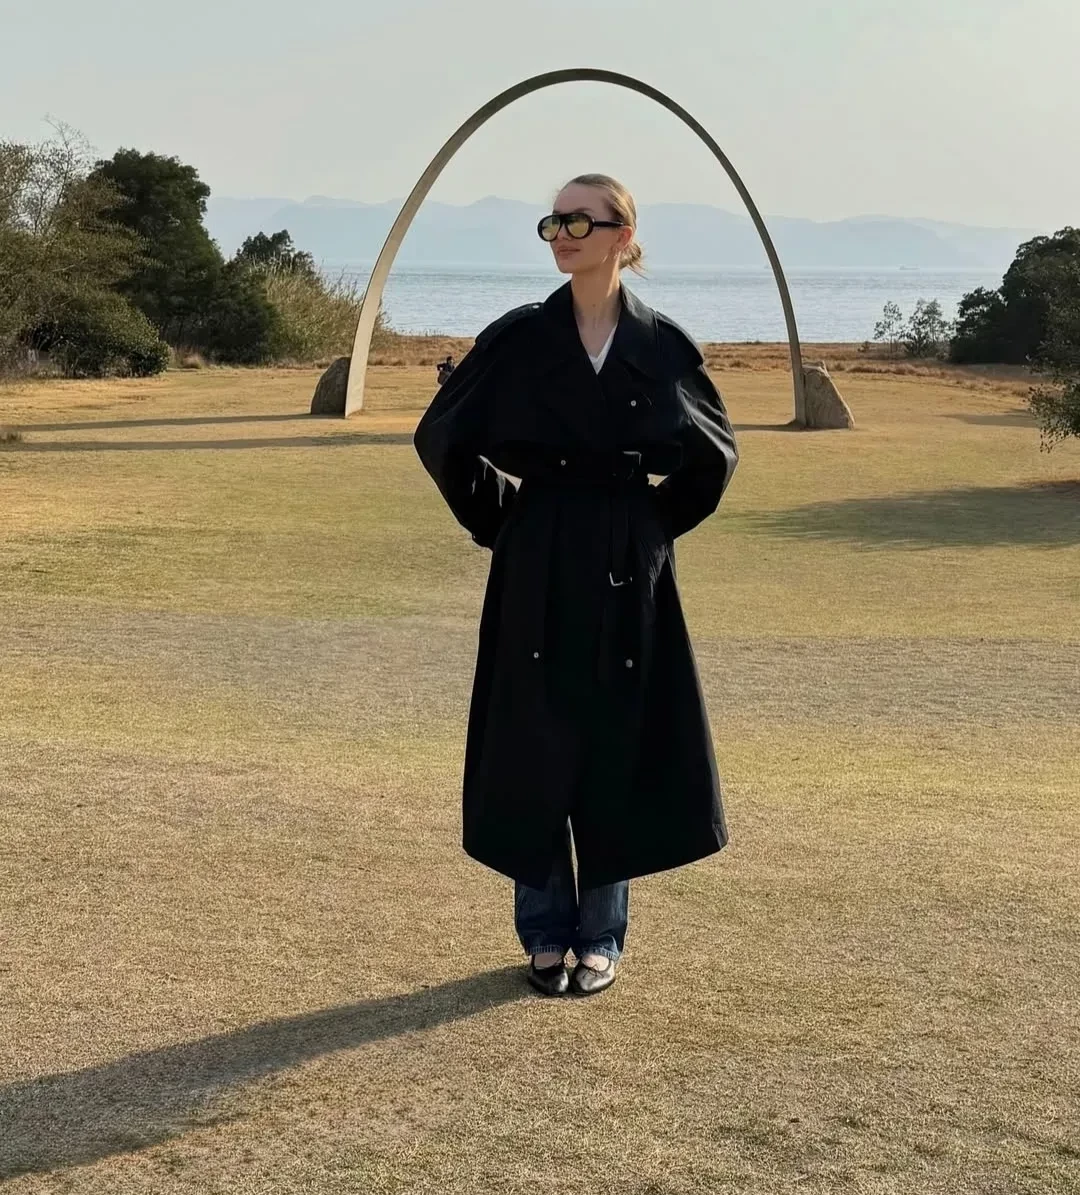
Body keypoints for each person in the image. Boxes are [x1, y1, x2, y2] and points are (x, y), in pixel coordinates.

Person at [412, 173, 739, 998]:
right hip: (538, 553)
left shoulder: (661, 345)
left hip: (627, 564)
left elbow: (714, 458)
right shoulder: (521, 338)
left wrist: (651, 527)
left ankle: (601, 935)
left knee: (613, 741)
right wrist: (505, 522)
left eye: (579, 221)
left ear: (623, 236)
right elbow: (441, 435)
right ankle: (545, 931)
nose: (561, 234)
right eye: (553, 221)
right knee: (535, 737)